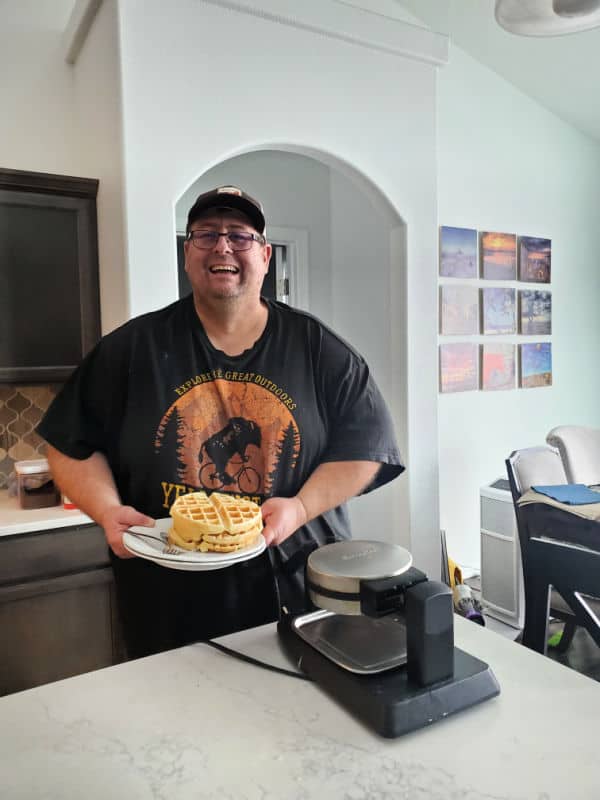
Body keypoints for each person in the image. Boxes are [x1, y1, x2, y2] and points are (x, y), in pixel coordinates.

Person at [37, 185, 404, 659]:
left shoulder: (317, 349)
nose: (223, 246)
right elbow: (69, 444)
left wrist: (299, 506)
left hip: (294, 593)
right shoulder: (131, 349)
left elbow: (367, 448)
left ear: (266, 255)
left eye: (240, 235)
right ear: (188, 254)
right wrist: (108, 512)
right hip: (165, 601)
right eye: (206, 234)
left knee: (298, 724)